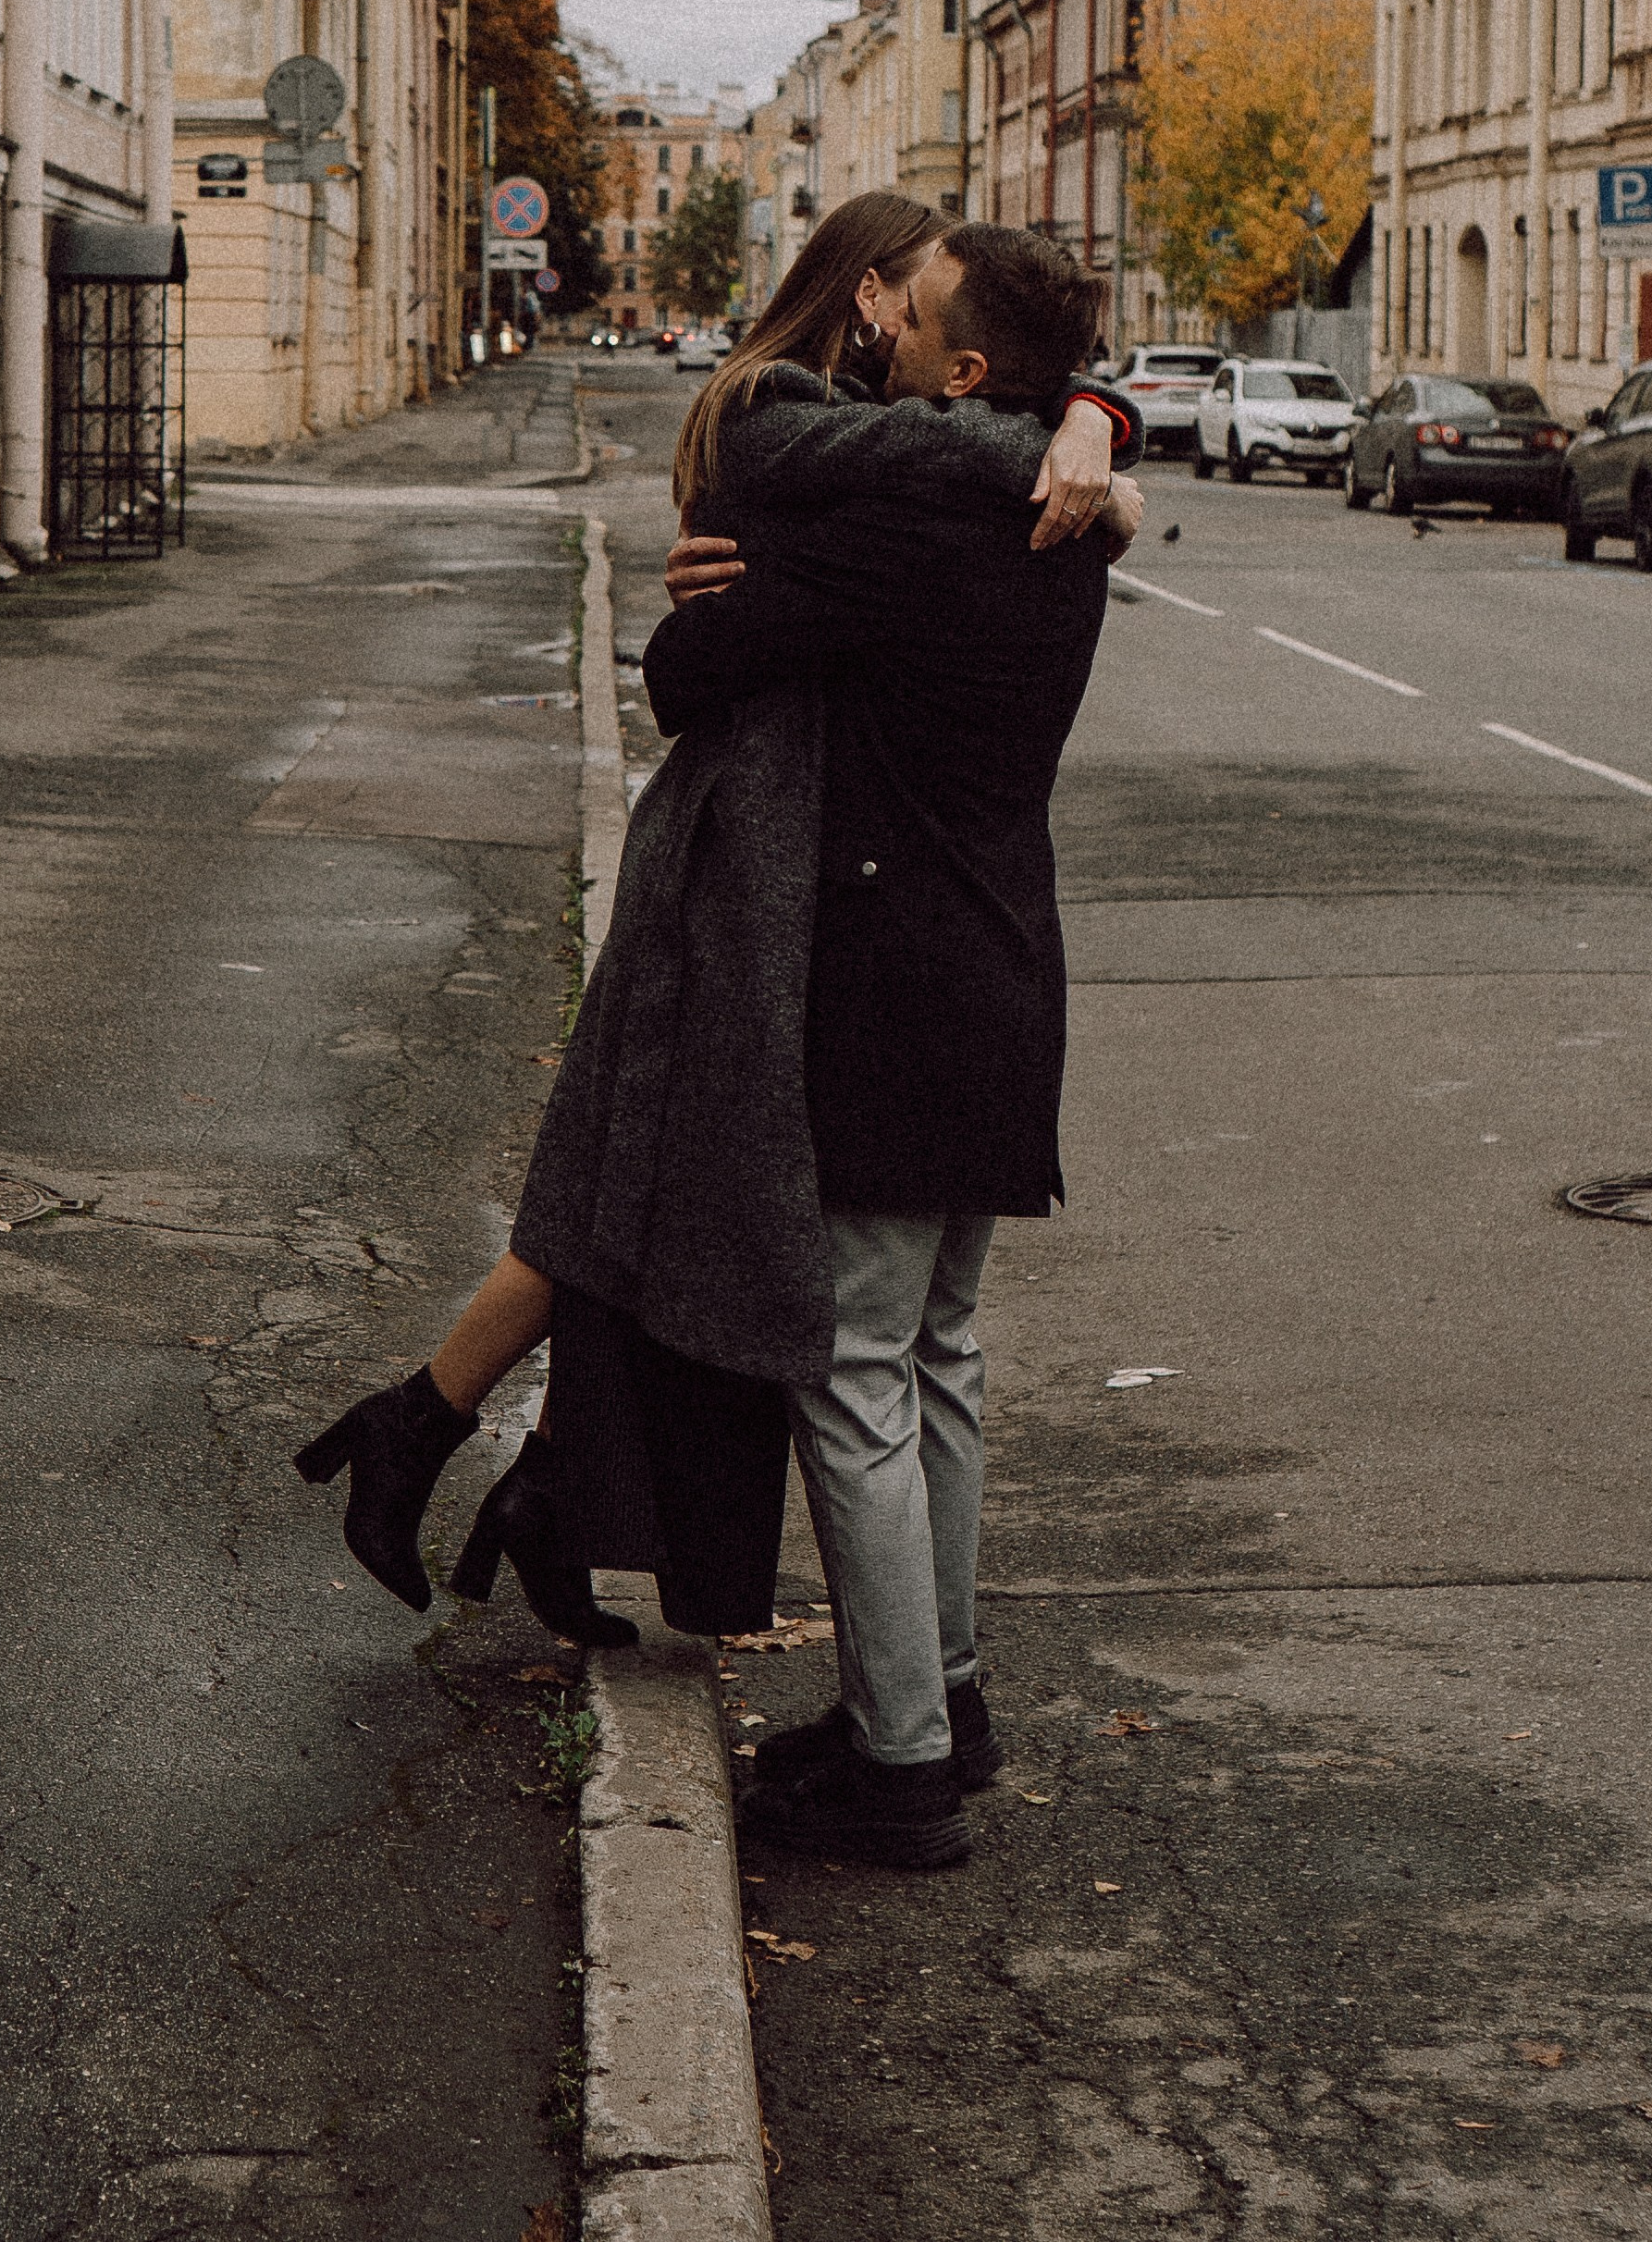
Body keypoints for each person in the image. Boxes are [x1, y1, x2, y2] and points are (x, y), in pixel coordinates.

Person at [294, 197, 1142, 1659]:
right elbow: (698, 661)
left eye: (922, 308)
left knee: (642, 1195)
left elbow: (808, 591)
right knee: (637, 1189)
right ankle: (462, 1445)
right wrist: (1070, 431)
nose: (893, 318)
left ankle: (490, 1459)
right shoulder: (776, 408)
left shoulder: (899, 457)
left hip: (793, 872)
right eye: (895, 290)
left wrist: (1091, 415)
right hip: (733, 869)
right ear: (859, 289)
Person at [635, 222, 1120, 1866]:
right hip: (1003, 970)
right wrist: (1098, 421)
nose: (882, 336)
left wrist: (701, 589)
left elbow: (692, 669)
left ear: (964, 373)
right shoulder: (1062, 511)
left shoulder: (916, 510)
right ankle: (948, 1694)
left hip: (891, 987)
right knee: (939, 1354)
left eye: (904, 321)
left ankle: (899, 1760)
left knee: (852, 1368)